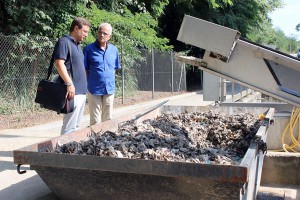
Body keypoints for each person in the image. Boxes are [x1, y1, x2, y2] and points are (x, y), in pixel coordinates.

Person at [53, 17, 91, 134]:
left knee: (76, 127)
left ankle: (70, 150)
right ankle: (61, 150)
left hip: (81, 92)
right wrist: (69, 83)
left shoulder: (77, 45)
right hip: (72, 92)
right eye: (84, 31)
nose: (86, 35)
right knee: (69, 128)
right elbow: (59, 63)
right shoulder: (64, 42)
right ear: (76, 28)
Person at [84, 22, 121, 125]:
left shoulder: (114, 50)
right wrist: (89, 83)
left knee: (108, 119)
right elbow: (85, 69)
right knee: (95, 120)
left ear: (110, 36)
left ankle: (106, 139)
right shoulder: (88, 49)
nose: (101, 35)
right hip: (94, 89)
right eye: (100, 32)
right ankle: (94, 140)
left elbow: (115, 68)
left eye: (105, 33)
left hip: (109, 88)